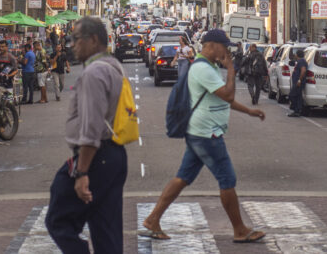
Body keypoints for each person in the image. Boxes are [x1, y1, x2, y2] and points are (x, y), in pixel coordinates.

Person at [141, 29, 266, 244]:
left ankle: (153, 219)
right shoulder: (202, 69)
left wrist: (249, 111)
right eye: (223, 46)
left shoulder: (207, 67)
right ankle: (240, 229)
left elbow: (221, 99)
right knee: (227, 179)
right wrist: (231, 71)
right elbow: (227, 94)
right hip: (207, 134)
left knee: (183, 178)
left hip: (200, 132)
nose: (226, 51)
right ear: (211, 45)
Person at [45, 17, 128, 253]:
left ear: (93, 40)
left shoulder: (95, 72)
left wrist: (81, 172)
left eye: (76, 39)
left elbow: (92, 127)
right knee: (106, 232)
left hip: (95, 156)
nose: (72, 45)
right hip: (111, 155)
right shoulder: (112, 64)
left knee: (58, 218)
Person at [288, 48, 308, 117]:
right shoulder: (300, 61)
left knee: (292, 95)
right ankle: (298, 111)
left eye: (296, 54)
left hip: (299, 82)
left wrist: (299, 80)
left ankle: (296, 109)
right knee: (298, 97)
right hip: (297, 81)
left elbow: (303, 70)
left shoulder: (302, 61)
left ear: (297, 55)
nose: (295, 55)